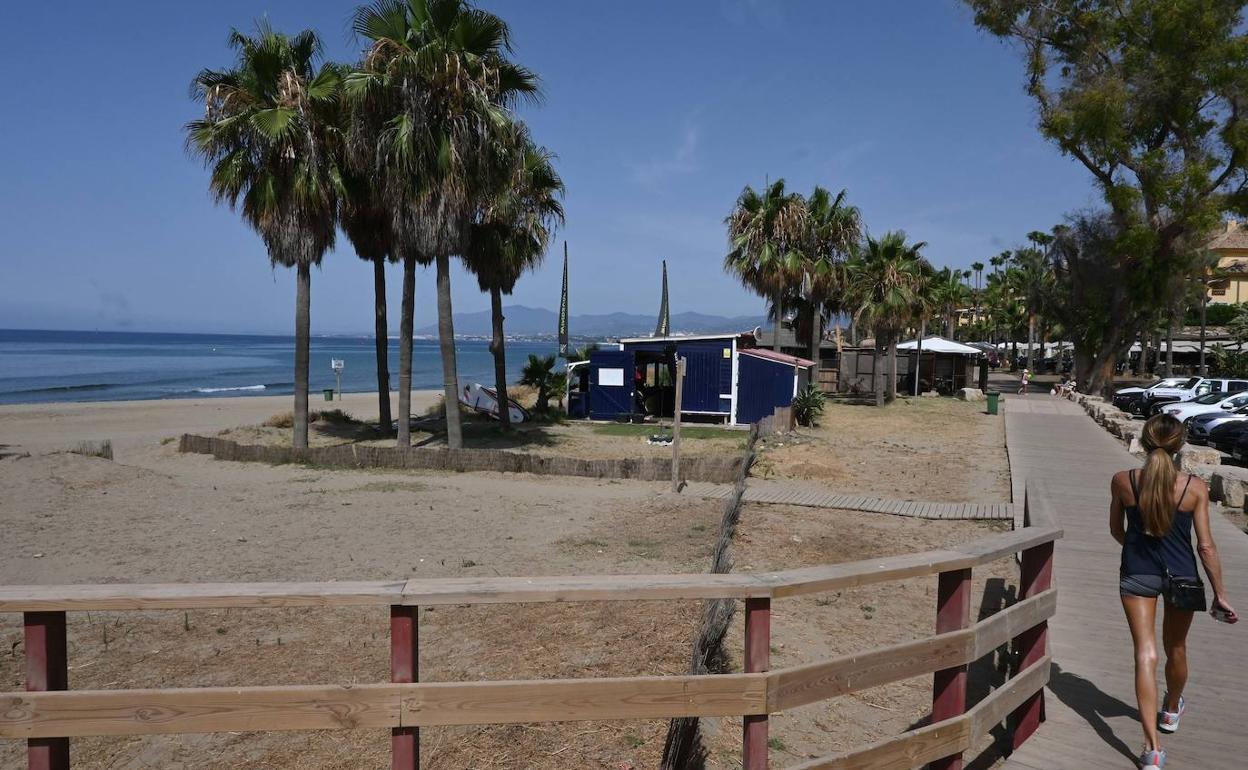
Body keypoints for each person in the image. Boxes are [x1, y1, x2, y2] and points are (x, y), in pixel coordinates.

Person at [1110, 415, 1238, 770]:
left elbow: (1116, 530)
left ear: (1146, 442)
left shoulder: (1124, 481)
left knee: (1145, 654)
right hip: (1183, 577)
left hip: (1137, 574)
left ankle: (1152, 749)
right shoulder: (1193, 488)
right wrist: (1220, 593)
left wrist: (1136, 547)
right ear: (1180, 445)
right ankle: (1171, 708)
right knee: (1176, 648)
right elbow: (1207, 547)